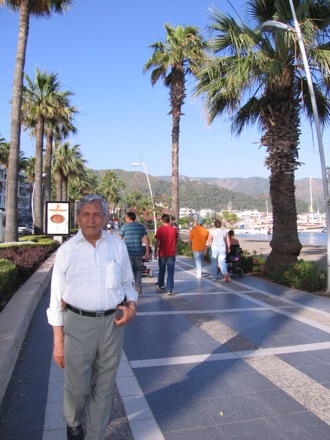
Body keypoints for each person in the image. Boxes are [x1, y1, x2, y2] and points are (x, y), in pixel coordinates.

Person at [46, 194, 137, 440]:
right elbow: (55, 300)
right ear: (77, 218)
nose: (91, 219)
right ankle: (73, 423)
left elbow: (128, 283)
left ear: (106, 217)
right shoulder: (66, 251)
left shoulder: (117, 245)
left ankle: (95, 434)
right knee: (76, 387)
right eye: (86, 214)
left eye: (97, 214)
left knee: (105, 387)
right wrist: (58, 342)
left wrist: (131, 305)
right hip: (77, 325)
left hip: (112, 325)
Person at [118, 211, 150, 295]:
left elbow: (119, 241)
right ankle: (138, 290)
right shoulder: (141, 227)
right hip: (139, 253)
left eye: (126, 217)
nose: (125, 219)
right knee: (138, 271)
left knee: (128, 272)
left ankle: (129, 291)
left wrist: (118, 253)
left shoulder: (124, 227)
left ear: (128, 218)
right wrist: (147, 251)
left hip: (128, 254)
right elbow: (146, 239)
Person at [154, 213, 178, 295]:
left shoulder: (160, 230)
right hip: (171, 253)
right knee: (171, 271)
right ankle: (169, 289)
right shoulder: (174, 230)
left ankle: (161, 284)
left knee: (162, 269)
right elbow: (176, 241)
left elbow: (157, 242)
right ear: (169, 220)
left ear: (162, 220)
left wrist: (155, 252)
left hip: (162, 253)